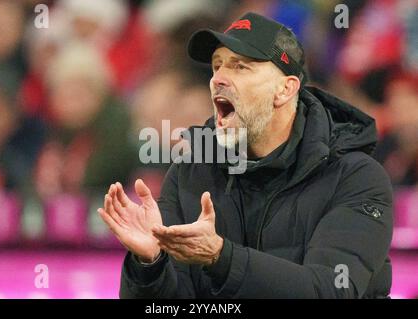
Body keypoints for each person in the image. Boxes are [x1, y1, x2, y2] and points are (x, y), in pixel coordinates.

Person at [98, 13, 393, 298]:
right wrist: (150, 265)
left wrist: (221, 257)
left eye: (240, 67)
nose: (218, 79)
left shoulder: (356, 177)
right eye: (216, 66)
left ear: (285, 89)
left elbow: (329, 290)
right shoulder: (191, 172)